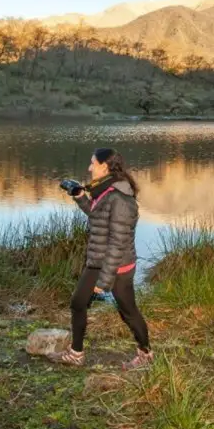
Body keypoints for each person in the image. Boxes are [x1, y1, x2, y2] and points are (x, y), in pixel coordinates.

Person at [49, 147, 153, 370]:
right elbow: (99, 217)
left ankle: (145, 354)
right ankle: (76, 353)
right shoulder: (106, 191)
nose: (89, 167)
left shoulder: (120, 198)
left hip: (116, 265)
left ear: (104, 167)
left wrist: (104, 281)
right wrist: (81, 198)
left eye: (93, 163)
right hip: (99, 260)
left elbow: (118, 242)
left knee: (128, 311)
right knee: (78, 303)